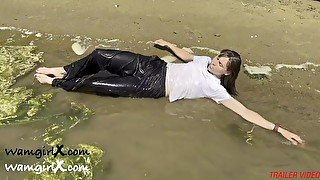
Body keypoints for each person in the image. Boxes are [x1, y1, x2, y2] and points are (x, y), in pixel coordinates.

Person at [34, 39, 304, 145]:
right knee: (101, 55)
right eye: (216, 58)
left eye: (220, 64)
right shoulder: (203, 61)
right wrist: (169, 45)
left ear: (228, 74)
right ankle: (65, 70)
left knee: (97, 85)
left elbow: (245, 113)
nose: (214, 62)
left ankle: (59, 82)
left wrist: (278, 129)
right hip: (151, 66)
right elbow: (189, 56)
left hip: (152, 87)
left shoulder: (216, 89)